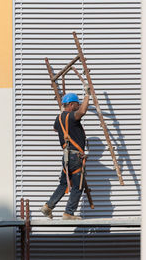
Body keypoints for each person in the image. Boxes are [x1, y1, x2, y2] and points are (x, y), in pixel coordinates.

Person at [41, 89, 90, 220]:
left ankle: (48, 206)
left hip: (67, 156)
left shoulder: (60, 118)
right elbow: (82, 112)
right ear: (71, 105)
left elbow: (55, 128)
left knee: (64, 184)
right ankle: (69, 213)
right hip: (75, 156)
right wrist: (87, 95)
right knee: (77, 186)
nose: (78, 106)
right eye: (76, 104)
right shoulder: (70, 116)